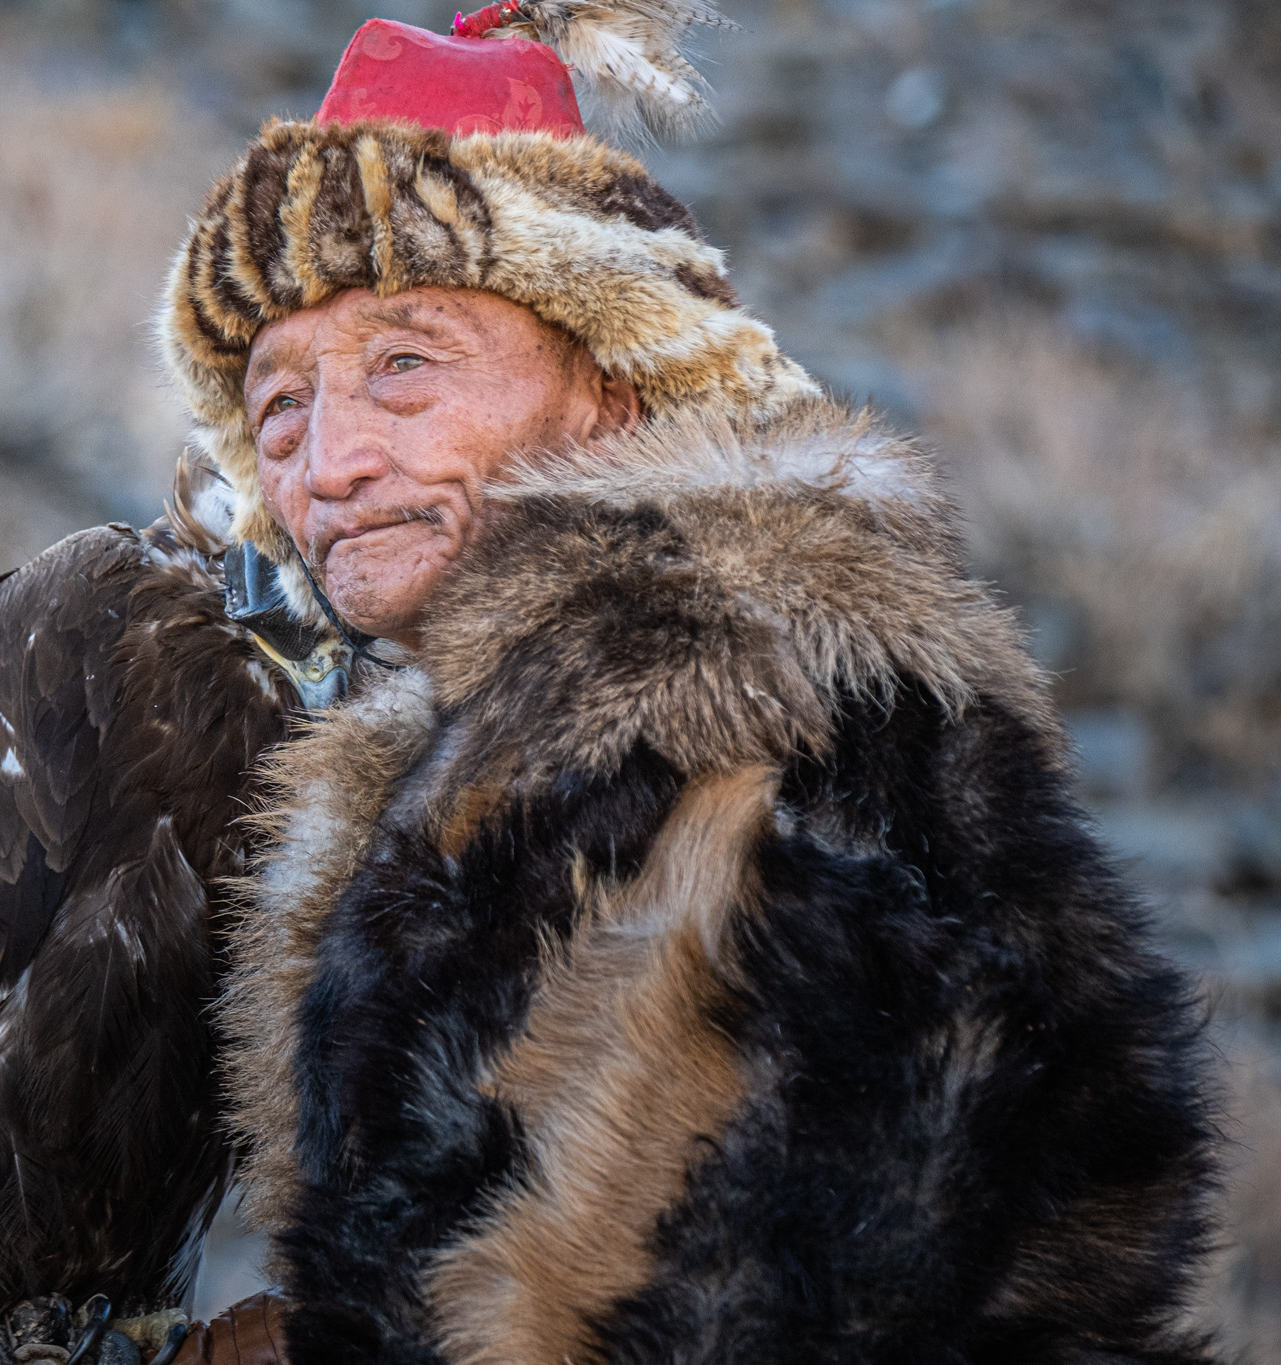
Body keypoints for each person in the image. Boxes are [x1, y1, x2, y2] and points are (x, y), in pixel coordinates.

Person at [158, 7, 1220, 1364]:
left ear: (608, 384)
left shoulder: (771, 713)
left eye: (405, 363)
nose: (328, 462)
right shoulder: (481, 762)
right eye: (280, 407)